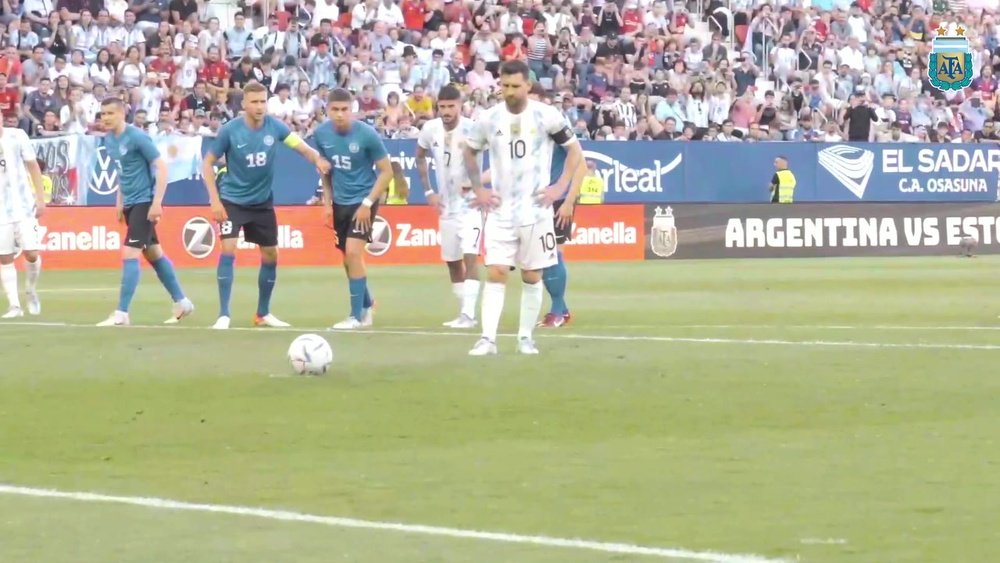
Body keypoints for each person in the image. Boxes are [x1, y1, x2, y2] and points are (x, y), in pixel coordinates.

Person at [463, 60, 584, 356]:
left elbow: (575, 152)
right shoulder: (489, 119)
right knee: (497, 272)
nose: (510, 92)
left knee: (532, 276)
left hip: (536, 211)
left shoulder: (547, 116)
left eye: (516, 86)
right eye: (504, 86)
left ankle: (525, 338)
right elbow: (469, 150)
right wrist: (479, 188)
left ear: (528, 86)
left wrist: (560, 189)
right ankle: (487, 339)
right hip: (501, 210)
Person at [202, 82, 331, 330]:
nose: (260, 106)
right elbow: (207, 163)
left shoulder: (276, 127)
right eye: (255, 102)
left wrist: (318, 159)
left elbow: (302, 148)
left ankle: (263, 313)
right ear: (244, 104)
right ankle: (223, 315)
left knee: (271, 253)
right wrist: (215, 200)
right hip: (232, 200)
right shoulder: (230, 131)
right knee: (228, 248)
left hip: (262, 202)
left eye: (263, 101)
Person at [96, 98, 195, 327]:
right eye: (103, 114)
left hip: (144, 201)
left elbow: (161, 166)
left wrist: (157, 202)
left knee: (130, 254)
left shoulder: (137, 137)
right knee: (154, 254)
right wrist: (119, 201)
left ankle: (122, 313)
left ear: (122, 114)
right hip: (130, 203)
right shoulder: (109, 139)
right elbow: (122, 171)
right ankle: (182, 302)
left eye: (110, 113)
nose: (106, 117)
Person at [313, 87, 394, 330]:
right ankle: (367, 304)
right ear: (327, 110)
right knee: (347, 260)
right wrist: (327, 203)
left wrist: (368, 203)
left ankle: (355, 316)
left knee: (353, 253)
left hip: (364, 200)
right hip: (340, 201)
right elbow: (326, 172)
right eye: (335, 110)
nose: (340, 114)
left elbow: (387, 172)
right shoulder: (321, 134)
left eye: (344, 110)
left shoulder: (367, 135)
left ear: (352, 110)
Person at [415, 85, 483, 329]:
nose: (446, 111)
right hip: (445, 206)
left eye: (450, 106)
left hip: (471, 205)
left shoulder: (473, 129)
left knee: (470, 255)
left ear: (460, 105)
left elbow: (498, 159)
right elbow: (420, 156)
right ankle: (463, 311)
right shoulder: (429, 129)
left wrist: (479, 184)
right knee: (453, 262)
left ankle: (469, 314)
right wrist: (428, 191)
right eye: (442, 107)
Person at [0, 123, 46, 319]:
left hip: (24, 206)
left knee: (31, 253)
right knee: (4, 257)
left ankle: (30, 289)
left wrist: (40, 198)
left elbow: (33, 166)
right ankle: (14, 306)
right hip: (1, 210)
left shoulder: (17, 136)